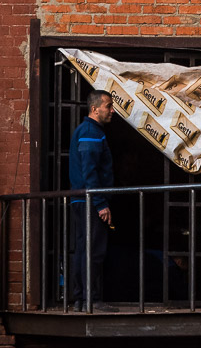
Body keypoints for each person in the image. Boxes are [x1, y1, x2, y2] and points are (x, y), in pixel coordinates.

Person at [67, 89, 114, 309]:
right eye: (108, 106)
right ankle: (90, 300)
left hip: (82, 200)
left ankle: (80, 299)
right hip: (90, 202)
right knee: (93, 251)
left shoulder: (86, 130)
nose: (112, 111)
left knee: (83, 249)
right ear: (94, 109)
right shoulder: (91, 132)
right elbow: (90, 172)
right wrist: (101, 204)